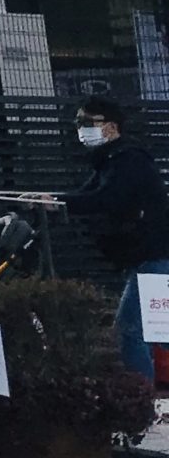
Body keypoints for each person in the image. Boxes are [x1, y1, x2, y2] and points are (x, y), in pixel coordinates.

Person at [48, 96, 169, 380]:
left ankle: (142, 404)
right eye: (78, 123)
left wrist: (57, 202)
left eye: (87, 122)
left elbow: (105, 199)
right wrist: (53, 200)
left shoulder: (127, 159)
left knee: (131, 330)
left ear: (111, 127)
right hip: (148, 258)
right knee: (151, 330)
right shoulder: (112, 160)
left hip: (156, 257)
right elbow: (86, 195)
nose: (81, 128)